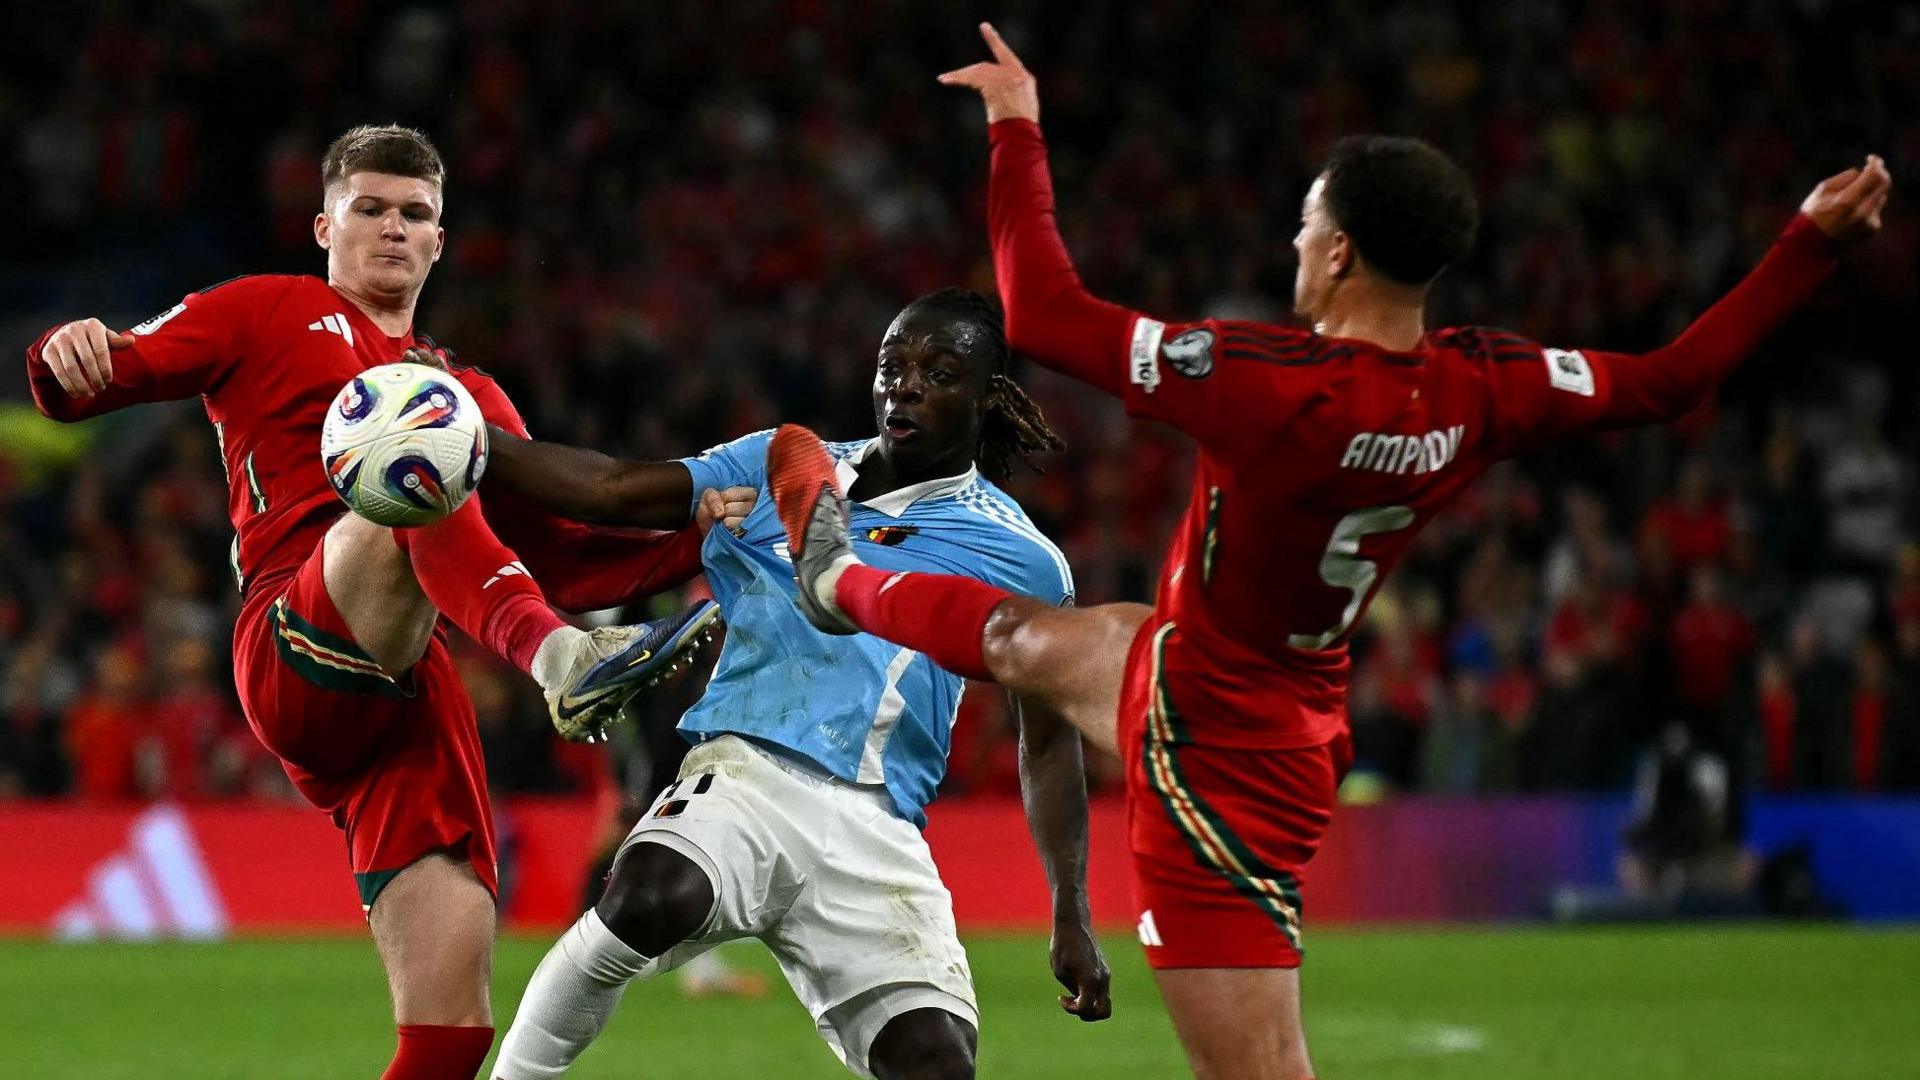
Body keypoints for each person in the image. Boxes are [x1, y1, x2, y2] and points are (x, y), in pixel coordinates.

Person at [762, 23, 1892, 1080]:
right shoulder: (1481, 382)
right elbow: (1672, 379)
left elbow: (1044, 313)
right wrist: (1805, 246)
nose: (1294, 242)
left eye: (1306, 225)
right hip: (1232, 677)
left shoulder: (1267, 384)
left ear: (1341, 252)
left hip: (1217, 759)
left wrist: (1017, 123)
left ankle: (843, 580)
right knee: (1017, 635)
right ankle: (841, 577)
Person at [25, 124, 742, 1079]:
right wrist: (65, 353)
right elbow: (100, 374)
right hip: (294, 637)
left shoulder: (473, 390)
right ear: (325, 225)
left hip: (410, 696)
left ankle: (563, 657)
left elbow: (563, 560)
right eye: (371, 209)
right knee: (417, 443)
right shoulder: (266, 312)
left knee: (450, 1034)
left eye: (415, 214)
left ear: (441, 241)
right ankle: (564, 663)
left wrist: (705, 534)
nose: (393, 229)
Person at [484, 288, 1111, 1080]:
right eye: (892, 366)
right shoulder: (786, 464)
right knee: (646, 897)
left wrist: (1071, 912)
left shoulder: (1023, 559)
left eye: (938, 371)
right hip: (745, 772)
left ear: (989, 397)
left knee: (936, 1064)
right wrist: (475, 441)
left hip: (877, 827)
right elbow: (609, 489)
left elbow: (1048, 746)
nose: (904, 385)